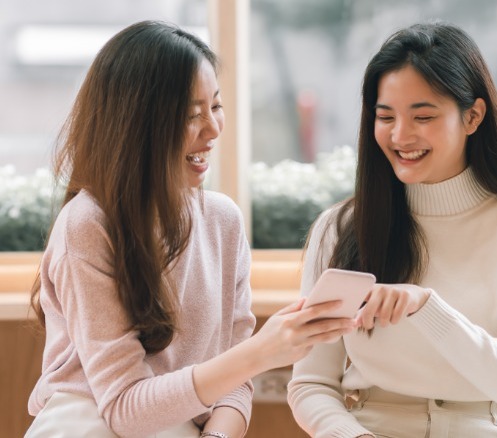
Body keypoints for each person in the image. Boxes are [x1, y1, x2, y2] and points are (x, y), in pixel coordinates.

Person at [26, 21, 356, 438]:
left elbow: (234, 386)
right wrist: (260, 352)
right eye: (190, 115)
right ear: (135, 124)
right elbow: (125, 409)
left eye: (215, 107)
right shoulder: (88, 225)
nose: (214, 129)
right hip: (88, 422)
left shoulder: (223, 221)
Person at [287, 22, 497, 438]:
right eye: (386, 117)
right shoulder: (341, 228)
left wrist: (425, 307)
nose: (401, 136)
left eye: (423, 116)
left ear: (473, 116)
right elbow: (311, 384)